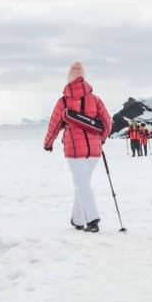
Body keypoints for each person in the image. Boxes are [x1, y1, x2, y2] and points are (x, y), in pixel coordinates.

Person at [43, 62, 113, 233]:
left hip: (74, 150)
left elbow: (54, 124)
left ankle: (93, 220)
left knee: (82, 183)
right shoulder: (96, 100)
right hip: (94, 151)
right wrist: (101, 139)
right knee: (83, 183)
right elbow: (107, 123)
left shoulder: (64, 101)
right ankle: (78, 219)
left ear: (69, 79)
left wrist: (48, 143)